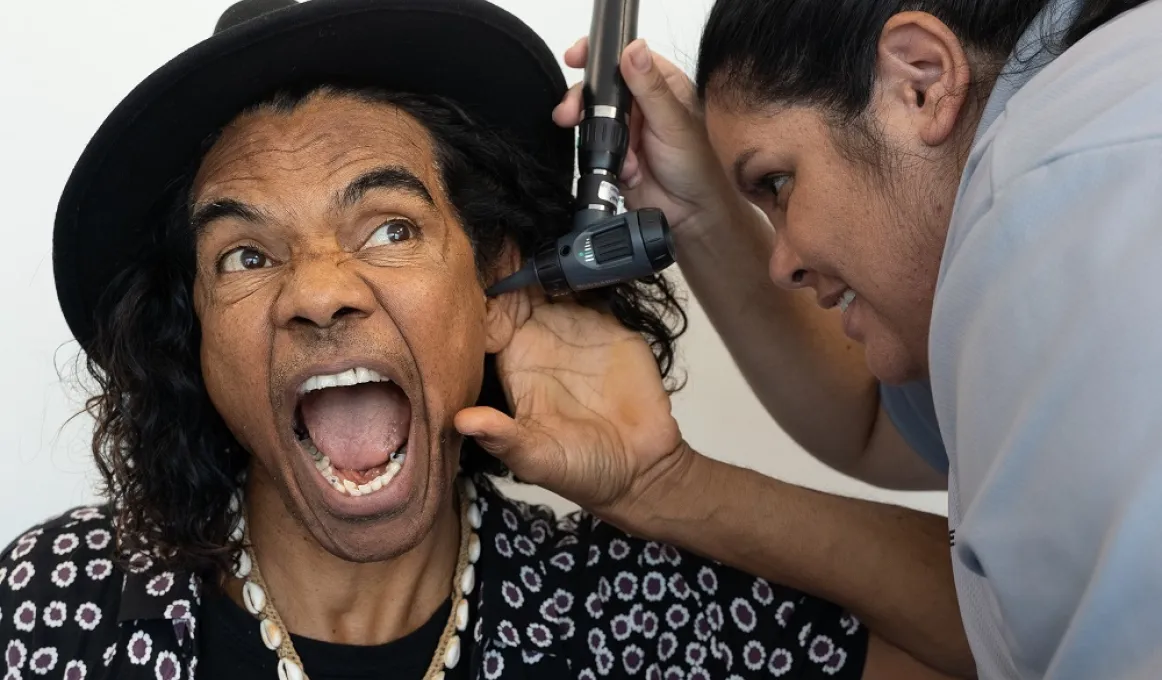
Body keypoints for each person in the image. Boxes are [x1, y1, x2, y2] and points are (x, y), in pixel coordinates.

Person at [0, 1, 955, 678]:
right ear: (197, 339)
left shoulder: (641, 616)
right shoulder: (50, 605)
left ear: (497, 284)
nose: (320, 294)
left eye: (390, 228)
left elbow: (1038, 642)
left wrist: (670, 488)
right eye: (245, 257)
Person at [457, 0, 1162, 678]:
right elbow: (877, 417)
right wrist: (699, 210)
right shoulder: (1099, 122)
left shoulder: (1050, 204)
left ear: (919, 81)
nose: (781, 262)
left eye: (777, 182)